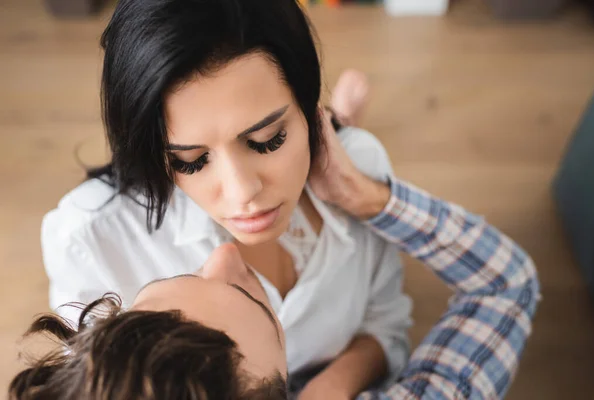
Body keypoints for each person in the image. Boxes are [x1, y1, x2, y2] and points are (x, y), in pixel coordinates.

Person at [10, 115, 540, 399]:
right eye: (250, 296)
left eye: (268, 137)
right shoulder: (85, 230)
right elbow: (506, 286)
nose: (223, 253)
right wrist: (377, 200)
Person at [41, 0, 411, 396]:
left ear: (305, 106)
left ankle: (337, 117)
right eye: (191, 160)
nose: (242, 193)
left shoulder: (361, 167)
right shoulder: (87, 239)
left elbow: (387, 324)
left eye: (269, 140)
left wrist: (330, 388)